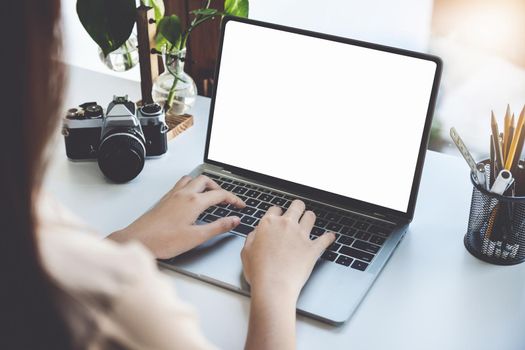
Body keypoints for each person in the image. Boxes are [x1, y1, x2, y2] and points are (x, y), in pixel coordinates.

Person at [1, 1, 335, 349]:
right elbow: (82, 281)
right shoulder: (115, 298)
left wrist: (126, 241)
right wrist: (276, 286)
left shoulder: (31, 232)